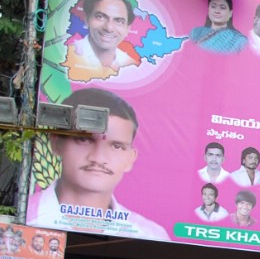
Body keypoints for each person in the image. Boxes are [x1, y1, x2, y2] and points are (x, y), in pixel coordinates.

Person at [29, 89, 168, 240]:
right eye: (84, 140)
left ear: (130, 158)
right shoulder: (21, 216)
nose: (98, 158)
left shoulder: (151, 235)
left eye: (116, 146)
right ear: (57, 143)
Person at [66, 0, 136, 80]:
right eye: (100, 17)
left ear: (127, 29)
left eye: (119, 21)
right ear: (87, 19)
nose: (109, 28)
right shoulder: (67, 55)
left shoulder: (131, 65)